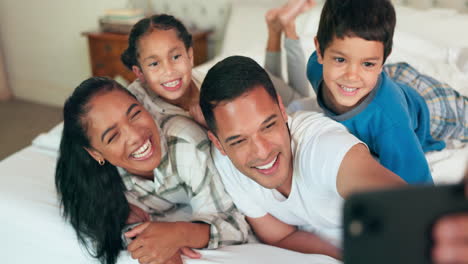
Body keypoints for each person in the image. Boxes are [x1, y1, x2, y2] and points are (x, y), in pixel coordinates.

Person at [199, 55, 407, 260]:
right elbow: (282, 235)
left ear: (282, 109)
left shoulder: (324, 148)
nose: (262, 152)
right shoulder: (225, 162)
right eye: (239, 141)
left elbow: (410, 208)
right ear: (219, 143)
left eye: (268, 126)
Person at [55, 77, 250, 264]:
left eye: (134, 114)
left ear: (144, 106)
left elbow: (234, 225)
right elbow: (108, 225)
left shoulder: (186, 144)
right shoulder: (102, 181)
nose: (135, 136)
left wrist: (179, 234)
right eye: (113, 136)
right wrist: (150, 242)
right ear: (96, 154)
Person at [305, 0, 467, 184]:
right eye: (340, 60)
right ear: (319, 51)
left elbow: (416, 189)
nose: (351, 76)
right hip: (394, 81)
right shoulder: (315, 68)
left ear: (382, 62)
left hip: (431, 106)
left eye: (368, 63)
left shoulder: (390, 122)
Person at [120, 1, 313, 127]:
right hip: (255, 78)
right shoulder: (143, 106)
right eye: (154, 63)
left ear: (190, 56)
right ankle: (278, 28)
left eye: (176, 57)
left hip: (248, 76)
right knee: (286, 90)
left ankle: (286, 28)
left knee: (300, 99)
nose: (169, 70)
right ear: (140, 73)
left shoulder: (206, 85)